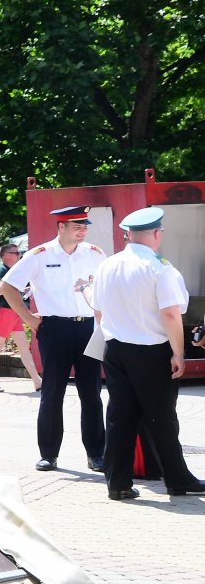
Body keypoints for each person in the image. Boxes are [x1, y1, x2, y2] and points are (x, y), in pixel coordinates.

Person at [90, 207, 204, 501]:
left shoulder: (107, 265)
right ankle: (177, 480)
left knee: (119, 416)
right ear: (156, 234)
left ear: (129, 235)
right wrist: (178, 353)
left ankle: (118, 483)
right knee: (161, 417)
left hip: (115, 348)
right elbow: (170, 313)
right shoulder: (160, 267)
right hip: (152, 351)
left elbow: (98, 309)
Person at [0, 206, 107, 472]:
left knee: (91, 394)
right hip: (54, 329)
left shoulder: (95, 254)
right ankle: (49, 454)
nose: (83, 231)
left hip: (89, 329)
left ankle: (96, 454)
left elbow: (107, 286)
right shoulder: (40, 255)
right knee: (52, 393)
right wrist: (28, 319)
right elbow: (9, 286)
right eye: (77, 226)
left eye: (85, 226)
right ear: (61, 227)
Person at [0, 243, 43, 392]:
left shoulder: (9, 270)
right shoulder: (0, 269)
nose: (19, 255)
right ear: (6, 255)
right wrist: (14, 286)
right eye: (15, 253)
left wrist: (23, 288)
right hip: (4, 312)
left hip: (12, 312)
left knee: (23, 348)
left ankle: (37, 381)